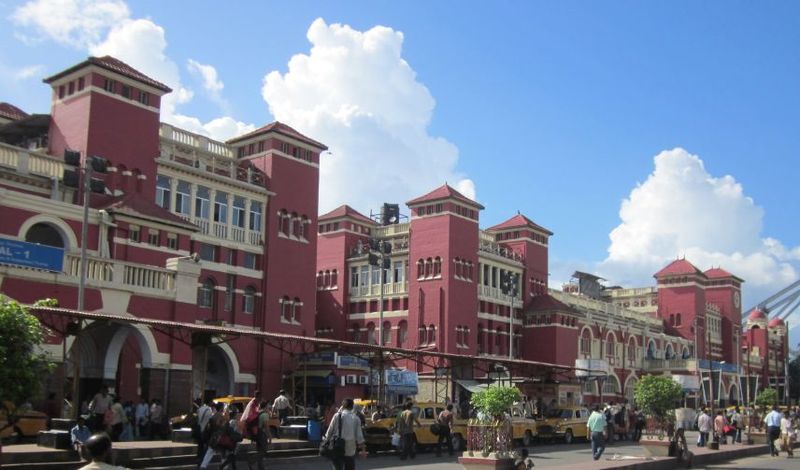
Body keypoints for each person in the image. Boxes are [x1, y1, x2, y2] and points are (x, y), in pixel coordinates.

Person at [323, 398, 365, 470]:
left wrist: (325, 441)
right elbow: (359, 437)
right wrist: (363, 450)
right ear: (352, 407)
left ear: (342, 406)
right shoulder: (356, 418)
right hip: (350, 450)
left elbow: (329, 431)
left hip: (337, 447)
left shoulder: (337, 416)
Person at [252, 401, 271, 470]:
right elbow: (266, 427)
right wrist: (270, 437)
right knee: (263, 450)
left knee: (259, 450)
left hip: (256, 433)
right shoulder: (265, 414)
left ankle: (260, 468)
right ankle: (252, 460)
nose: (269, 407)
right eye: (268, 405)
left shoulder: (258, 412)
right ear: (265, 406)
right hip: (262, 434)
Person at [195, 398, 213, 466]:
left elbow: (197, 418)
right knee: (205, 446)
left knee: (200, 445)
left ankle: (198, 458)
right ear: (210, 402)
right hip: (205, 430)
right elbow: (210, 421)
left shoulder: (200, 408)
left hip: (199, 429)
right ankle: (202, 459)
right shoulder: (209, 410)